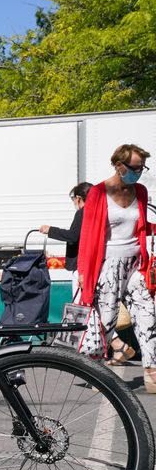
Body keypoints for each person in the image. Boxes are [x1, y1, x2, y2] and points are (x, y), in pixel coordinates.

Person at [77, 143, 156, 392]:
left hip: (136, 263)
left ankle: (151, 372)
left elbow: (141, 226)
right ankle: (97, 374)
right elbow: (88, 234)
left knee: (147, 313)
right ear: (119, 165)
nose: (139, 172)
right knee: (106, 319)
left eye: (142, 167)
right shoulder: (99, 193)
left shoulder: (140, 192)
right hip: (108, 264)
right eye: (135, 167)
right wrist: (83, 272)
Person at [39, 182, 92, 297]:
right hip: (95, 264)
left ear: (78, 198)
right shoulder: (98, 213)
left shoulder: (82, 213)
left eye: (73, 199)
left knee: (79, 303)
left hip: (81, 266)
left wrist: (50, 230)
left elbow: (73, 235)